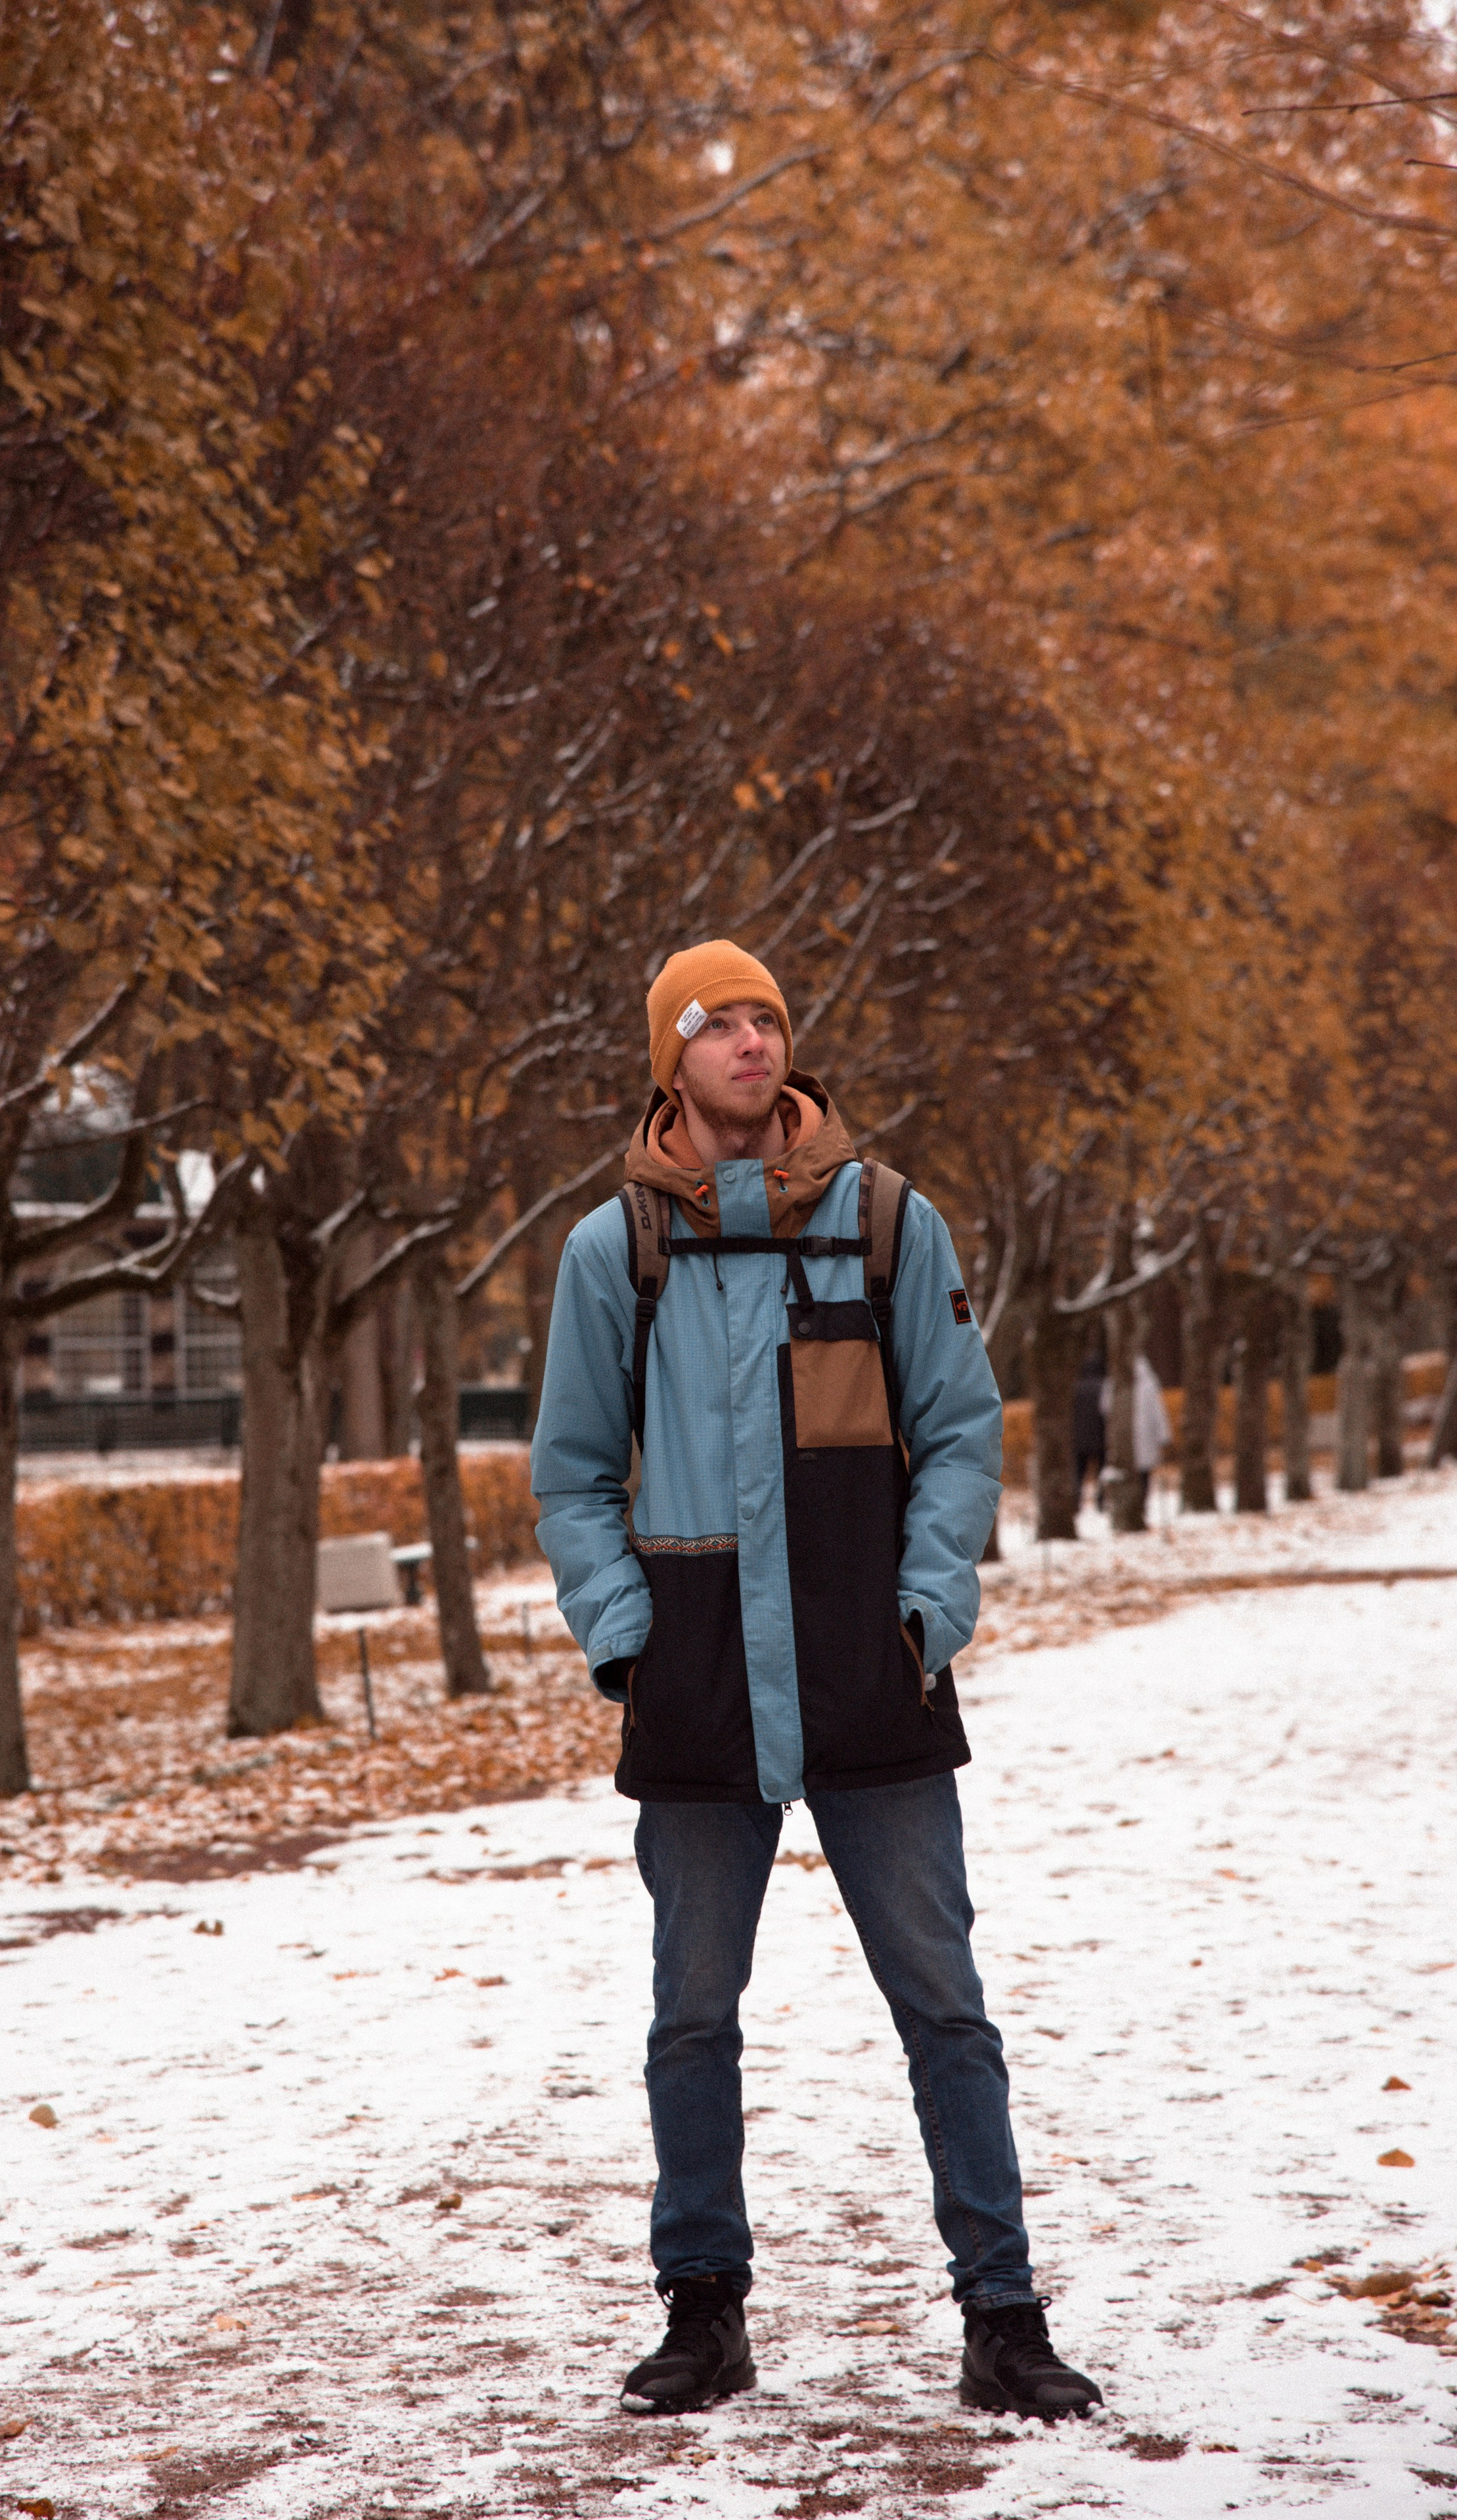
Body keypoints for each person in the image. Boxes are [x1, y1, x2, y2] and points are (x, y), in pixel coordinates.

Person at [530, 940, 1102, 2426]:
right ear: (670, 1054)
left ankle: (1002, 2314)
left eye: (766, 1015)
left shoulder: (889, 1226)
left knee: (944, 2009)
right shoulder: (617, 1251)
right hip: (698, 1670)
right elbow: (573, 1474)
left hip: (870, 1665)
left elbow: (960, 1430)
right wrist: (623, 1634)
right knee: (690, 2017)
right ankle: (702, 2313)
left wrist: (926, 1603)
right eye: (715, 1019)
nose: (747, 1037)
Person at [1101, 1353, 1172, 1521]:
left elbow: (1105, 1408)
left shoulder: (1114, 1382)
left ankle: (1127, 1508)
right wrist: (1164, 1437)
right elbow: (1158, 1413)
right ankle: (1140, 1506)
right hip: (1146, 1439)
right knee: (1143, 1474)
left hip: (1124, 1438)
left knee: (1126, 1473)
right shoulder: (1149, 1384)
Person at [1072, 1356, 1107, 1511]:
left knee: (1079, 1475)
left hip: (1079, 1440)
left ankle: (1076, 1503)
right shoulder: (1104, 1387)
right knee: (1102, 1473)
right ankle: (1101, 1502)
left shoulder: (1076, 1388)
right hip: (1101, 1439)